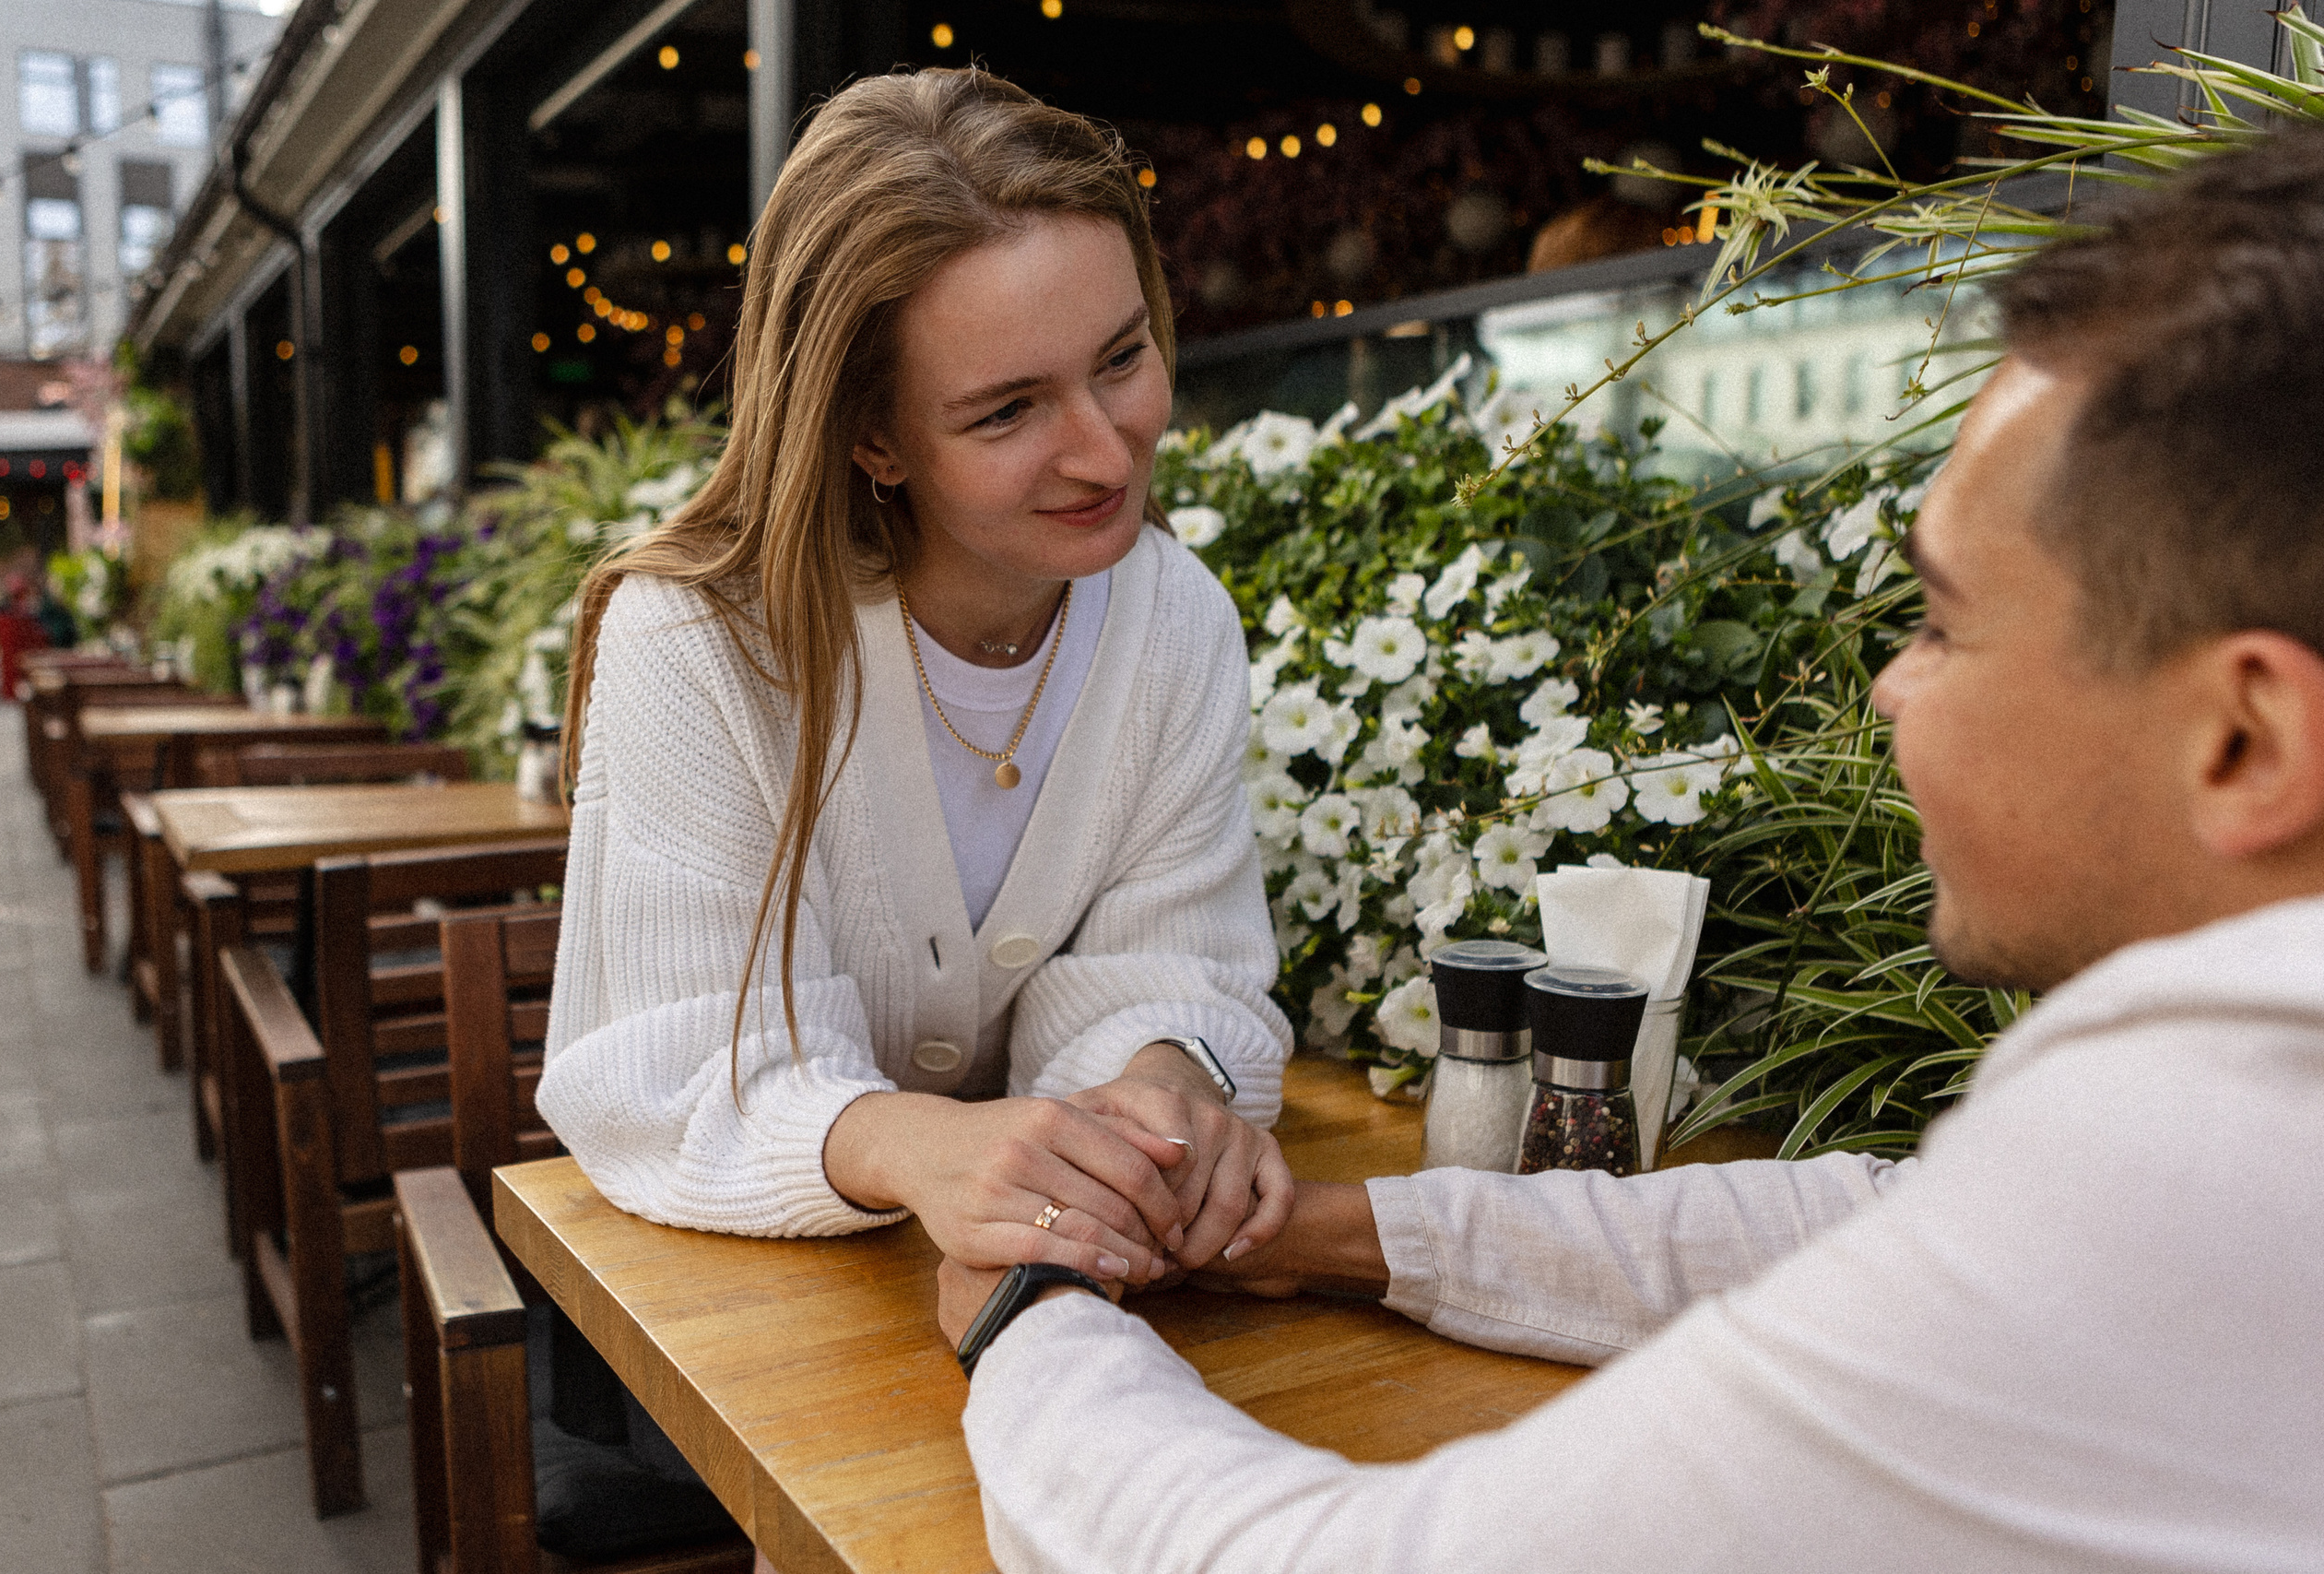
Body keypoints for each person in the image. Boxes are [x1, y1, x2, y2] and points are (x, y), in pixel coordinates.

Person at [940, 126, 2324, 1571]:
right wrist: (1327, 1236)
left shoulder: (2209, 1159)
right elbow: (1875, 1224)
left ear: (2245, 740)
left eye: (1943, 621)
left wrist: (1031, 1317)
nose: (1890, 688)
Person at [537, 66, 1293, 1304]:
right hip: (723, 1320)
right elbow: (677, 1073)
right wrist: (920, 1146)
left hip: (1053, 1286)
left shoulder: (1175, 621)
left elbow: (1170, 968)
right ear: (871, 437)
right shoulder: (701, 644)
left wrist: (1163, 1096)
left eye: (1122, 357)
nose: (1106, 450)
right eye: (1007, 412)